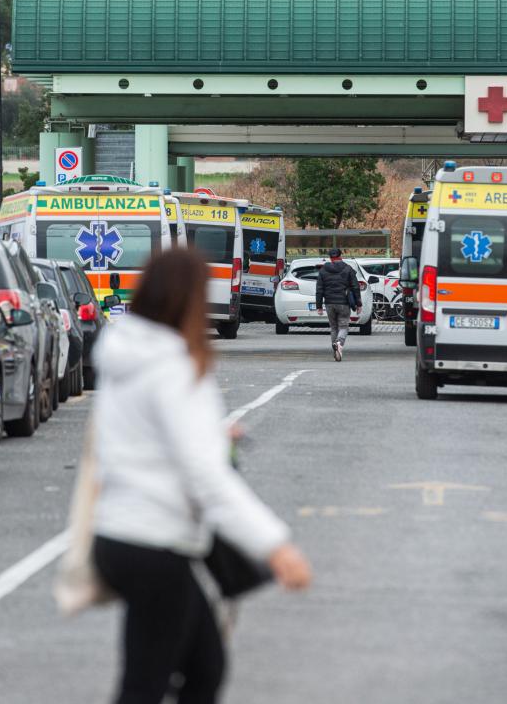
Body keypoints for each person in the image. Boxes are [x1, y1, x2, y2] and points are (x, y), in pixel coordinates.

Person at [89, 248, 312, 704]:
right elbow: (206, 476)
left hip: (117, 536)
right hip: (155, 545)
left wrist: (209, 432)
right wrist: (275, 545)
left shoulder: (125, 355)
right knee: (150, 684)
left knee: (202, 668)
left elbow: (142, 435)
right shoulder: (174, 368)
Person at [315, 248, 361, 362]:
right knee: (344, 326)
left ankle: (335, 350)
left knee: (334, 327)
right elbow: (355, 287)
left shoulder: (323, 270)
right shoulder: (348, 268)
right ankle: (339, 342)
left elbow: (319, 289)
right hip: (344, 303)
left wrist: (319, 306)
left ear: (330, 257)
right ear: (341, 256)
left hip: (329, 303)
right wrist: (359, 304)